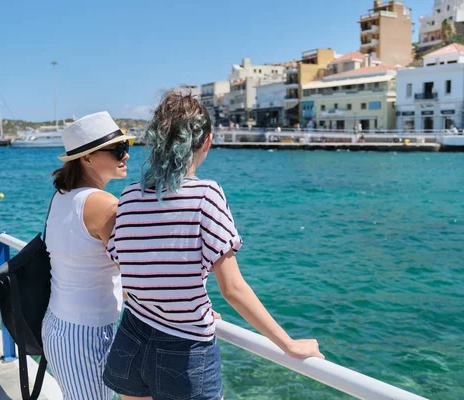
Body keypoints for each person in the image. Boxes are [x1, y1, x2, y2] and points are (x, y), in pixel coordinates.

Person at [103, 92, 323, 400]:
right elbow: (232, 290)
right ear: (206, 141)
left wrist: (182, 304)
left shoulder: (128, 197)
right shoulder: (207, 195)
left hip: (130, 338)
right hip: (183, 351)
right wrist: (288, 344)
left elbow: (129, 266)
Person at [42, 111, 134, 400]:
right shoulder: (104, 204)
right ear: (88, 158)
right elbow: (134, 273)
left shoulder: (62, 197)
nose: (127, 155)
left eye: (127, 146)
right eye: (118, 149)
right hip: (88, 333)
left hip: (59, 325)